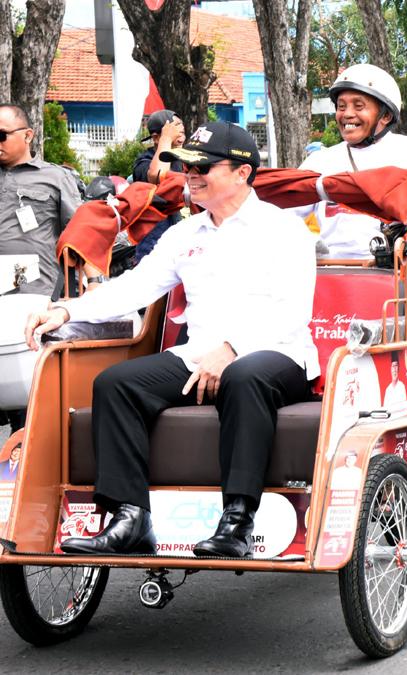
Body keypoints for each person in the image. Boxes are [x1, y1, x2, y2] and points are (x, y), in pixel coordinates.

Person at [27, 121, 319, 557]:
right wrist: (68, 309)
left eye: (203, 167)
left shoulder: (283, 229)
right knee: (117, 384)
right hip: (197, 355)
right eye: (187, 166)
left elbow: (291, 309)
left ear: (242, 173)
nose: (191, 175)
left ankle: (237, 522)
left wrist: (233, 348)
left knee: (244, 376)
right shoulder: (185, 233)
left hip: (276, 352)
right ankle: (130, 517)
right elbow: (136, 287)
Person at [299, 64, 407, 258]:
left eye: (358, 106)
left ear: (385, 115)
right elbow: (284, 214)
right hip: (332, 272)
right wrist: (305, 241)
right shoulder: (319, 161)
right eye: (341, 106)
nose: (347, 114)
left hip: (391, 274)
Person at [0, 103, 83, 298]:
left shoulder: (56, 177)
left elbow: (79, 233)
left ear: (28, 136)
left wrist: (94, 281)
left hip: (30, 285)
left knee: (20, 326)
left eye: (2, 136)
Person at [132, 110, 186, 260]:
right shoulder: (144, 164)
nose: (181, 138)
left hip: (182, 244)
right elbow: (158, 176)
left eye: (182, 132)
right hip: (154, 246)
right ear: (156, 138)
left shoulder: (184, 160)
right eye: (176, 133)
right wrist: (166, 140)